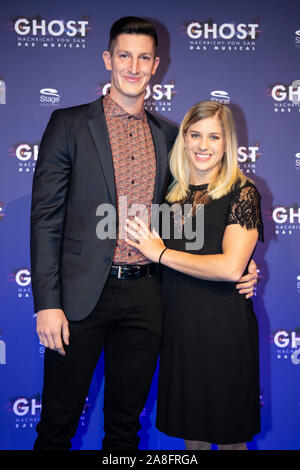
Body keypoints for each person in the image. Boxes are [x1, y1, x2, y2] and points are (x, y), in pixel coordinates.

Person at [30, 16, 257, 451]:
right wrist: (47, 304)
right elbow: (45, 219)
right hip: (79, 298)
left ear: (156, 65)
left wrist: (244, 267)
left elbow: (203, 218)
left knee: (125, 426)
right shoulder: (69, 124)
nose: (133, 66)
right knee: (57, 422)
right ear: (108, 59)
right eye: (124, 55)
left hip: (148, 298)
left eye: (144, 57)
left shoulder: (172, 138)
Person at [125, 100, 263, 450]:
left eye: (214, 137)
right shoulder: (169, 195)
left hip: (224, 332)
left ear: (227, 144)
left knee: (231, 441)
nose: (203, 145)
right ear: (183, 140)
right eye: (196, 135)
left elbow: (232, 267)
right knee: (194, 440)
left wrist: (162, 253)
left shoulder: (243, 193)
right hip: (178, 331)